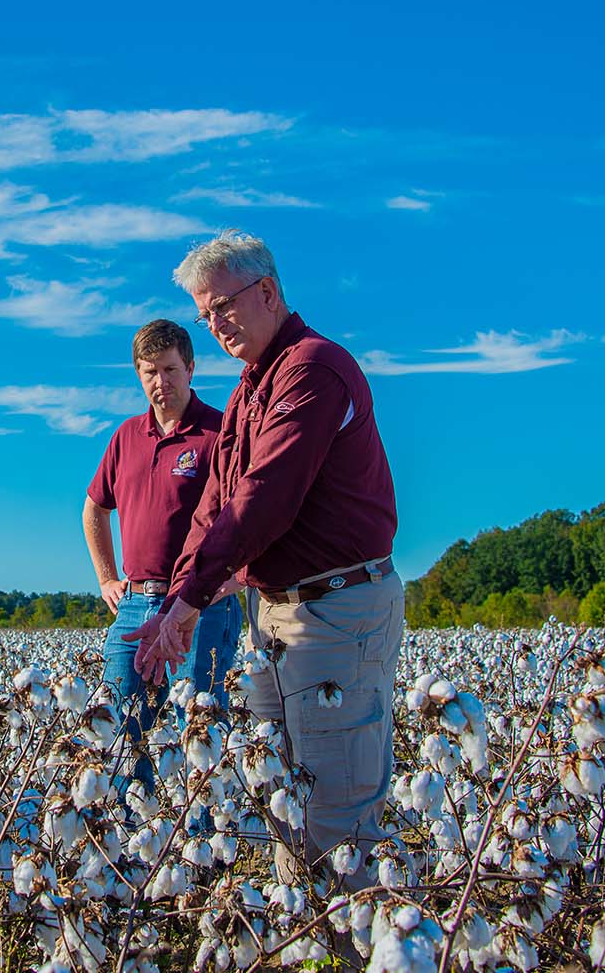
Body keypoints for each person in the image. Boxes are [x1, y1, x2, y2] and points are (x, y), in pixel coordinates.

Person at [124, 230, 401, 890]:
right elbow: (213, 506)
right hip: (274, 614)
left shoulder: (311, 369)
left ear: (267, 292)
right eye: (205, 315)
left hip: (331, 610)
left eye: (222, 306)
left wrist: (190, 600)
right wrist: (174, 603)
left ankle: (362, 945)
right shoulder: (252, 390)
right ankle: (303, 940)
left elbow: (261, 500)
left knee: (337, 809)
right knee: (282, 795)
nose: (215, 325)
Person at [84, 319, 242, 786]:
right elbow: (94, 508)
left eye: (170, 369)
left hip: (201, 606)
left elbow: (249, 520)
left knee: (196, 730)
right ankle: (131, 846)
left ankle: (200, 851)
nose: (161, 382)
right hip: (133, 606)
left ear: (191, 369)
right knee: (116, 727)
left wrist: (223, 585)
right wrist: (106, 579)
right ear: (138, 374)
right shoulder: (126, 436)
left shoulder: (219, 433)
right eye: (150, 372)